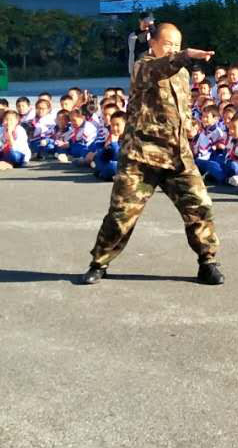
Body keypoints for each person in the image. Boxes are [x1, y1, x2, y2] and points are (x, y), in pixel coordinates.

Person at [77, 22, 222, 286]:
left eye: (177, 45)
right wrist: (185, 55)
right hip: (141, 156)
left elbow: (183, 106)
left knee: (200, 207)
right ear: (152, 44)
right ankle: (99, 262)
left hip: (177, 154)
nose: (173, 50)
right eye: (168, 44)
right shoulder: (143, 66)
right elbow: (158, 69)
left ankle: (208, 261)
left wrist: (187, 122)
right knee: (121, 215)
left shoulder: (182, 74)